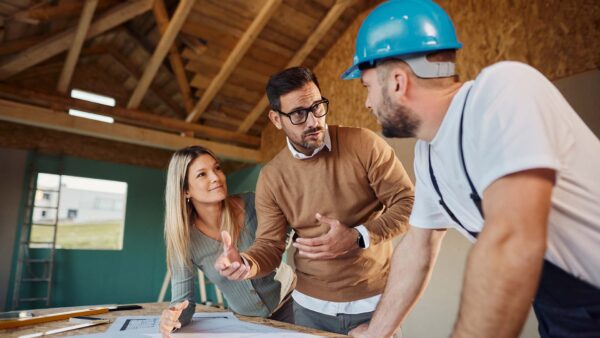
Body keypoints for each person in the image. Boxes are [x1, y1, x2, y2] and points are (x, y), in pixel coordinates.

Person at [340, 1, 600, 337]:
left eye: (367, 87)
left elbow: (511, 240)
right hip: (564, 316)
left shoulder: (504, 91)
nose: (367, 103)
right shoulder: (428, 155)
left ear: (398, 82)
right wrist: (376, 333)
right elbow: (418, 249)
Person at [214, 67, 415, 335]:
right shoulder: (272, 177)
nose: (313, 121)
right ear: (276, 119)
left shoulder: (365, 144)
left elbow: (408, 203)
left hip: (375, 304)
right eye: (298, 114)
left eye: (318, 107)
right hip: (309, 311)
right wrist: (246, 263)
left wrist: (358, 236)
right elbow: (271, 245)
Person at [159, 146, 296, 337]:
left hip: (292, 303)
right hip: (246, 323)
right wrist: (173, 317)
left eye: (217, 168)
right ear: (185, 191)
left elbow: (288, 231)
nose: (216, 177)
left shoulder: (253, 203)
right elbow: (183, 303)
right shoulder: (184, 241)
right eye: (202, 175)